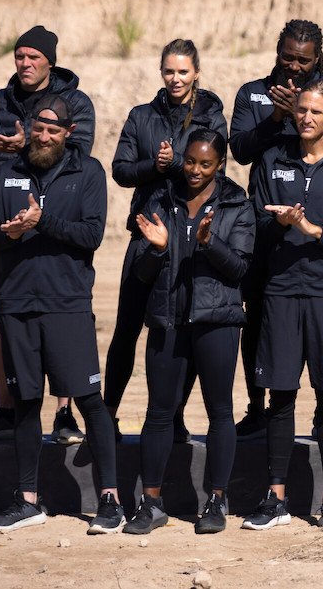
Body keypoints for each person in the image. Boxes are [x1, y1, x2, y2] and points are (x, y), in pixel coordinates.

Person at [0, 95, 122, 533]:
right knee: (25, 402)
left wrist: (43, 222)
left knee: (89, 401)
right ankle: (27, 501)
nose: (43, 137)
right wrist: (9, 233)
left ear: (68, 133)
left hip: (66, 304)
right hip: (16, 305)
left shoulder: (87, 172)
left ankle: (111, 501)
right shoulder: (8, 171)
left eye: (53, 131)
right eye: (38, 128)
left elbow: (91, 235)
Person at [241, 82, 323, 532]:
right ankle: (275, 497)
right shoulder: (272, 159)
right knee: (280, 395)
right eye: (301, 110)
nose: (306, 118)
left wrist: (315, 230)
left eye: (316, 111)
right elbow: (254, 224)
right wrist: (281, 224)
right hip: (280, 291)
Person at [0, 25, 94, 446]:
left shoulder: (75, 102)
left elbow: (79, 155)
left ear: (50, 61)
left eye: (34, 57)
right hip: (9, 225)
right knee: (6, 319)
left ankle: (64, 414)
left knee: (59, 324)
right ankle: (6, 411)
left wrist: (24, 146)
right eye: (20, 56)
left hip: (58, 222)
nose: (25, 63)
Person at [122, 129, 254, 536]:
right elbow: (142, 273)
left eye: (205, 164)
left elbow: (240, 269)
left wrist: (209, 242)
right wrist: (158, 249)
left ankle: (216, 500)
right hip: (168, 320)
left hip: (217, 323)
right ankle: (151, 502)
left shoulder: (237, 204)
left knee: (220, 412)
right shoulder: (161, 200)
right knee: (159, 413)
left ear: (220, 165)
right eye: (191, 161)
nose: (195, 170)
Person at [231, 19, 323, 441]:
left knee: (320, 324)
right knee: (256, 315)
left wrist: (297, 112)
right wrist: (275, 116)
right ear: (277, 51)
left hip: (318, 223)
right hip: (265, 220)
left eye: (304, 60)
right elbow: (241, 150)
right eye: (288, 57)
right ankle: (257, 407)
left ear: (317, 57)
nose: (295, 66)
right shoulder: (253, 92)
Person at [105, 39, 229, 440]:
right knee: (127, 328)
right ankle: (106, 415)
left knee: (180, 330)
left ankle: (173, 417)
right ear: (161, 72)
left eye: (183, 71)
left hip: (189, 237)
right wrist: (154, 166)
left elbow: (215, 172)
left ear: (196, 73)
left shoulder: (212, 117)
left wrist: (175, 163)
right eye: (169, 71)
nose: (175, 78)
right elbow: (121, 171)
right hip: (146, 231)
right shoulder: (141, 116)